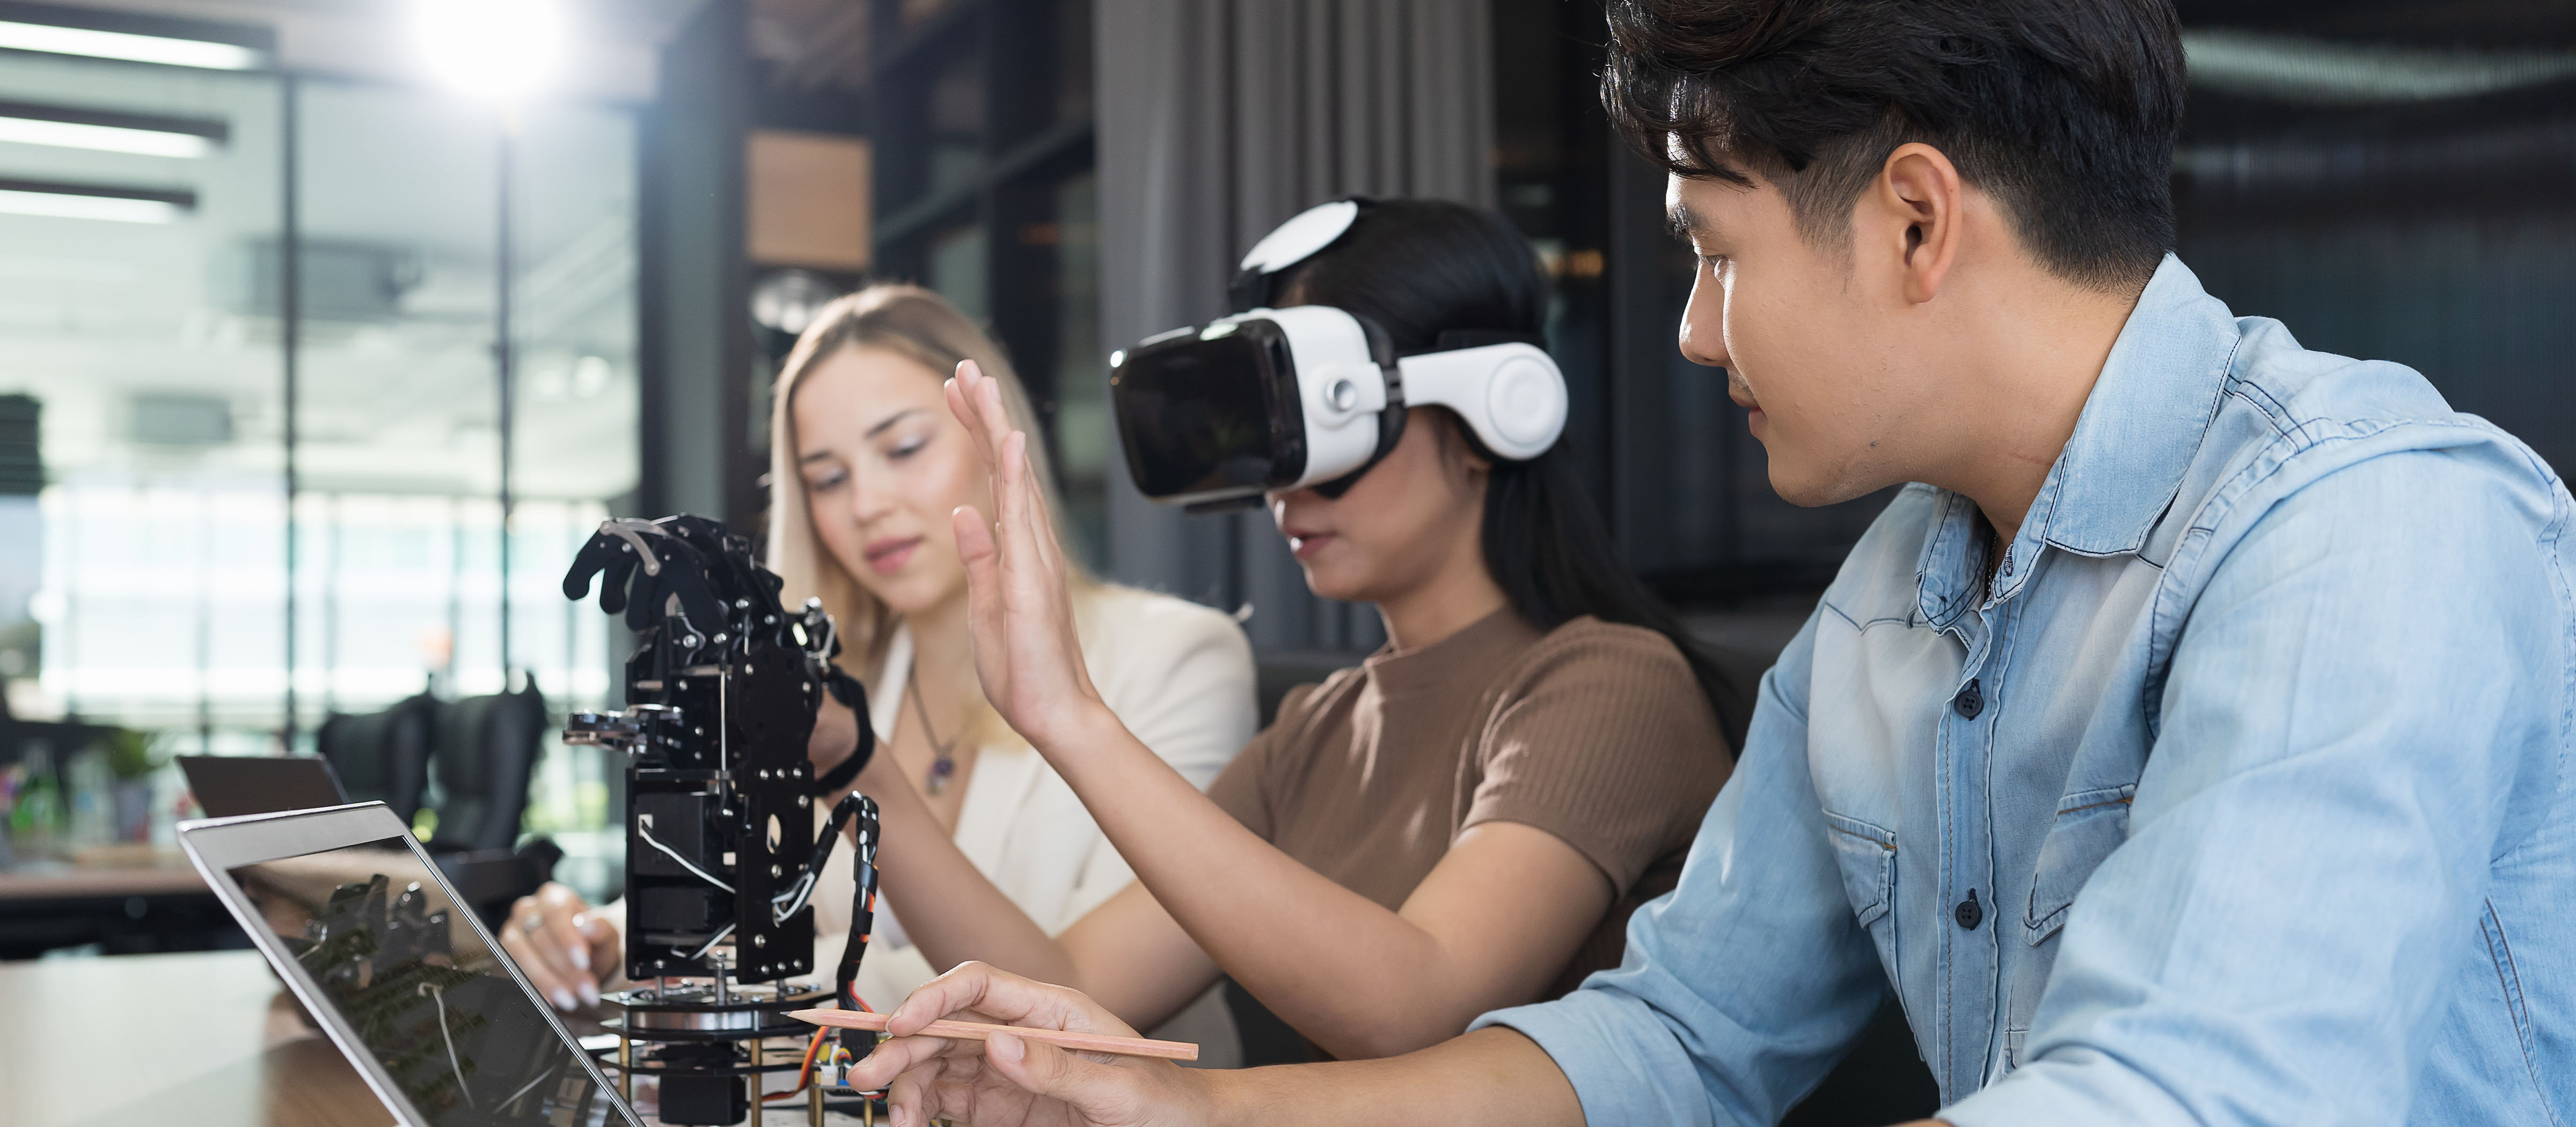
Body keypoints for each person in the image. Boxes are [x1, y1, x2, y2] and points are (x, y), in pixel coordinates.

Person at [842, 0, 2576, 1124]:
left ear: (1913, 219)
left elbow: (2178, 1102)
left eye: (1713, 252)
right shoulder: (1892, 605)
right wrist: (1174, 1109)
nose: (1686, 333)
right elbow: (1673, 1038)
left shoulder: (2369, 530)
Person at [805, 199, 1740, 1064]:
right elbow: (1070, 993)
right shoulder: (1314, 735)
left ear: (1493, 410)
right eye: (1266, 439)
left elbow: (1421, 1001)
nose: (1285, 487)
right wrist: (863, 766)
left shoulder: (1613, 684)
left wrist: (1069, 715)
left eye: (1327, 432)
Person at [499, 286, 1260, 1031]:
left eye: (903, 448)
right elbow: (737, 896)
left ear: (996, 436)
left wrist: (730, 964)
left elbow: (1084, 1010)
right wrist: (601, 939)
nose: (865, 504)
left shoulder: (1179, 660)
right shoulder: (851, 679)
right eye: (828, 479)